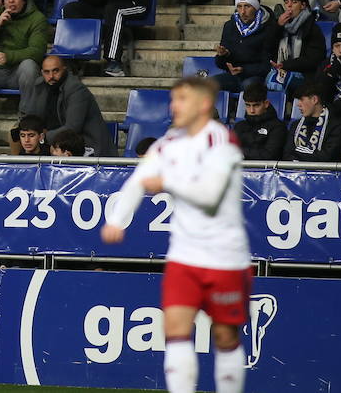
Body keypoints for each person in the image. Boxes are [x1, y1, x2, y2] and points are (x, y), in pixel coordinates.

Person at [102, 76, 251, 393]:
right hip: (184, 256)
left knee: (225, 336)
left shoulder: (221, 141)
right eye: (173, 99)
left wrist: (167, 181)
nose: (174, 106)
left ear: (204, 104)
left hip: (225, 257)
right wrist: (117, 219)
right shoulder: (168, 142)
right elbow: (139, 179)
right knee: (174, 329)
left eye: (181, 99)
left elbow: (210, 195)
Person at [23, 54, 113, 153]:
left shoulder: (77, 90)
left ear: (64, 69)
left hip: (83, 144)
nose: (51, 76)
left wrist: (44, 136)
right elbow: (31, 115)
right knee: (17, 134)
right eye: (47, 72)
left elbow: (73, 128)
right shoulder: (40, 86)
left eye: (55, 71)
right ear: (42, 72)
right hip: (53, 141)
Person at [283, 76, 341, 162]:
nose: (298, 104)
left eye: (301, 100)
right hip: (297, 174)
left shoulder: (336, 126)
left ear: (314, 100)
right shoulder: (295, 125)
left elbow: (328, 157)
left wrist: (298, 152)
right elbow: (287, 155)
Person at [232, 83, 286, 161]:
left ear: (266, 103)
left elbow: (269, 155)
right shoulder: (239, 126)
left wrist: (241, 152)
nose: (251, 110)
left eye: (256, 105)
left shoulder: (278, 127)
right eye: (248, 105)